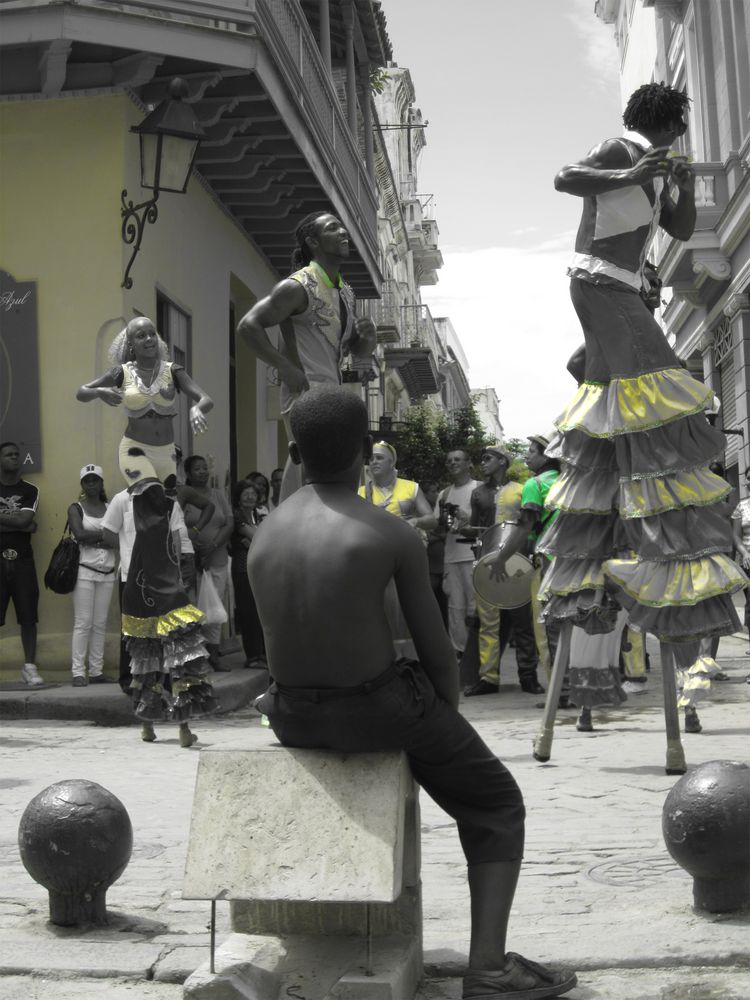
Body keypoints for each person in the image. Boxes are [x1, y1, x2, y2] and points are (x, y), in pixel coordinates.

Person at [250, 387, 577, 1000]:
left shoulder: (266, 533)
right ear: (362, 454)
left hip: (292, 714)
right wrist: (443, 721)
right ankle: (488, 970)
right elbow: (436, 652)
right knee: (496, 804)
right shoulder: (388, 531)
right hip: (377, 707)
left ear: (294, 451)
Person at [538, 82, 746, 731]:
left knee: (614, 425)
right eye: (680, 132)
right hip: (601, 284)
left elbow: (681, 229)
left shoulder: (662, 167)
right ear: (673, 124)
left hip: (617, 287)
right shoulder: (620, 148)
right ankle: (664, 530)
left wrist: (675, 182)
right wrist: (633, 168)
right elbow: (563, 176)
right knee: (664, 402)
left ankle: (609, 545)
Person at [77, 318, 218, 745]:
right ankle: (161, 585)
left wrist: (197, 407)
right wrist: (103, 391)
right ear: (130, 344)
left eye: (152, 333)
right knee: (153, 499)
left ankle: (156, 714)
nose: (149, 339)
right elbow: (82, 392)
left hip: (165, 453)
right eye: (140, 334)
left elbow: (205, 397)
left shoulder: (173, 371)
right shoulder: (123, 372)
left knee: (164, 511)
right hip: (135, 450)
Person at [236, 211, 376, 500]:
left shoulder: (345, 292)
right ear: (313, 241)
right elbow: (248, 325)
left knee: (326, 474)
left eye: (342, 228)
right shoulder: (297, 286)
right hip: (305, 393)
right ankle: (290, 526)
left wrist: (367, 341)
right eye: (332, 228)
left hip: (331, 395)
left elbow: (350, 349)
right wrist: (284, 367)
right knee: (314, 472)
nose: (343, 233)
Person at [462, 446, 544, 697]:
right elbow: (476, 529)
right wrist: (462, 528)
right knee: (488, 622)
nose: (483, 463)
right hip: (486, 563)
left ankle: (528, 676)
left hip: (519, 562)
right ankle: (488, 677)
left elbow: (531, 526)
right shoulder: (477, 493)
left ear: (502, 461)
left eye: (487, 459)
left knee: (524, 622)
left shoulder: (522, 490)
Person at [359, 441, 436, 661]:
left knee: (409, 610)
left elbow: (431, 520)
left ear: (392, 462)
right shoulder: (362, 492)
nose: (374, 461)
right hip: (376, 562)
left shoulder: (411, 487)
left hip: (407, 559)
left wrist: (414, 521)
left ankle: (412, 661)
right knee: (382, 611)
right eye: (371, 458)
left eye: (379, 457)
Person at [67, 464, 117, 686]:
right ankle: (78, 671)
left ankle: (96, 671)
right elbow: (79, 534)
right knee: (83, 622)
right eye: (87, 480)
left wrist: (95, 537)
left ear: (101, 483)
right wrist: (103, 537)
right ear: (82, 484)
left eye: (95, 480)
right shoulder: (76, 508)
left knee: (100, 623)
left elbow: (117, 538)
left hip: (107, 572)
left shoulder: (110, 507)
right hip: (84, 571)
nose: (91, 484)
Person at [183, 455, 234, 670]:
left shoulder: (218, 495)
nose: (203, 472)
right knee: (194, 611)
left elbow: (229, 523)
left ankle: (213, 654)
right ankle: (195, 657)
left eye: (205, 468)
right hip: (191, 563)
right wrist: (195, 549)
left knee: (214, 610)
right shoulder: (184, 497)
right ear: (188, 473)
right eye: (197, 469)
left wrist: (212, 547)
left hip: (217, 560)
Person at [0, 441, 43, 686]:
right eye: (8, 455)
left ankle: (29, 667)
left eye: (17, 455)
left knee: (28, 614)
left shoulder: (30, 490)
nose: (14, 458)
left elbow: (26, 520)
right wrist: (19, 522)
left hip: (22, 557)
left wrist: (22, 523)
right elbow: (21, 523)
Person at [433, 449, 481, 658]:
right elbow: (438, 527)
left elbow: (490, 523)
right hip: (451, 558)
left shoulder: (481, 489)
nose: (453, 463)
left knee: (476, 609)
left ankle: (479, 656)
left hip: (475, 556)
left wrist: (466, 517)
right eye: (449, 460)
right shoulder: (444, 495)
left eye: (458, 459)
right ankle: (460, 655)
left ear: (469, 463)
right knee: (455, 610)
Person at [230, 480, 266, 670]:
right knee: (248, 612)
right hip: (243, 568)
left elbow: (265, 537)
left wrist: (254, 539)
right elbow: (260, 537)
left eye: (253, 493)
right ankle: (252, 656)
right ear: (238, 497)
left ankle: (261, 653)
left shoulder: (258, 513)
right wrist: (255, 537)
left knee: (260, 612)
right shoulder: (237, 515)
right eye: (246, 494)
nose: (250, 497)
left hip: (259, 567)